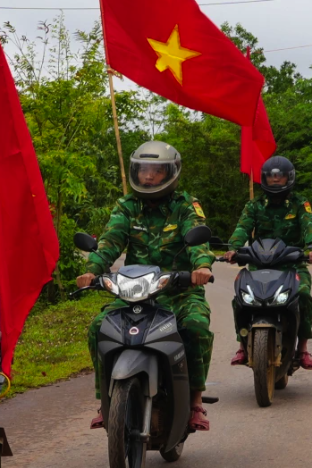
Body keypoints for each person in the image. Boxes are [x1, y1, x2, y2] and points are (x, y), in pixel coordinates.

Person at [77, 140, 215, 431]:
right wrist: (92, 271)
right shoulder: (126, 206)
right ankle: (106, 402)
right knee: (98, 328)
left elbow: (197, 239)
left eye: (156, 171)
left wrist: (201, 267)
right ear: (135, 172)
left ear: (171, 174)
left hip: (179, 290)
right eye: (143, 171)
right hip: (134, 292)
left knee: (196, 327)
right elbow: (109, 242)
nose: (149, 177)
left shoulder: (185, 205)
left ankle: (195, 402)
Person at [222, 155, 312, 369]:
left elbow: (309, 226)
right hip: (260, 264)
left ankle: (302, 349)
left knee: (303, 295)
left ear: (290, 178)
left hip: (292, 264)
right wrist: (233, 248)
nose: (276, 181)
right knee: (240, 299)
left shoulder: (299, 203)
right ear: (264, 179)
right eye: (271, 178)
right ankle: (242, 345)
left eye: (280, 177)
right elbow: (242, 227)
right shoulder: (255, 205)